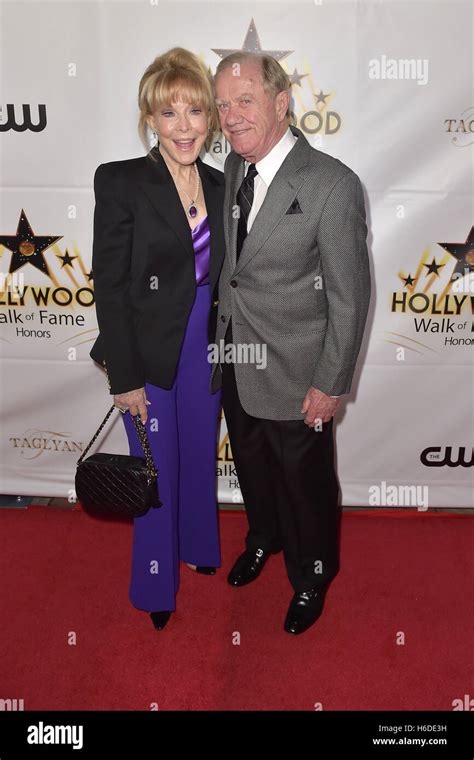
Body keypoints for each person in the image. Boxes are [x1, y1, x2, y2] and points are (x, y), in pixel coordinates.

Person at [211, 52, 371, 635]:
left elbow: (350, 298)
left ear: (281, 103)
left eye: (244, 100)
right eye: (223, 104)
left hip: (300, 370)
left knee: (305, 485)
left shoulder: (332, 185)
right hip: (236, 357)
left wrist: (330, 384)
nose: (230, 116)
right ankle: (263, 539)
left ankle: (312, 576)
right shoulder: (233, 167)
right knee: (252, 465)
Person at [90, 47, 225, 630]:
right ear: (150, 119)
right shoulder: (121, 182)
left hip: (206, 348)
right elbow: (111, 286)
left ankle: (196, 547)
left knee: (196, 454)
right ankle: (154, 586)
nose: (184, 127)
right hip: (146, 352)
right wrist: (124, 378)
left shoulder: (222, 185)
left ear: (209, 118)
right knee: (155, 468)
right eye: (169, 114)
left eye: (194, 112)